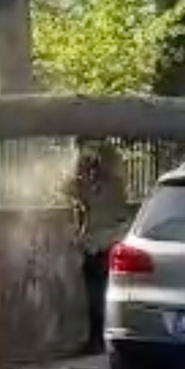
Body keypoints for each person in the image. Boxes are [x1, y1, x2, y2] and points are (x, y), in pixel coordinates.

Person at [64, 139, 132, 354]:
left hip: (104, 244)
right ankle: (98, 338)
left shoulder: (110, 185)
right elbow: (70, 189)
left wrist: (82, 170)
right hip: (98, 243)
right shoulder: (109, 182)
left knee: (99, 295)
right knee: (97, 294)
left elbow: (78, 193)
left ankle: (98, 339)